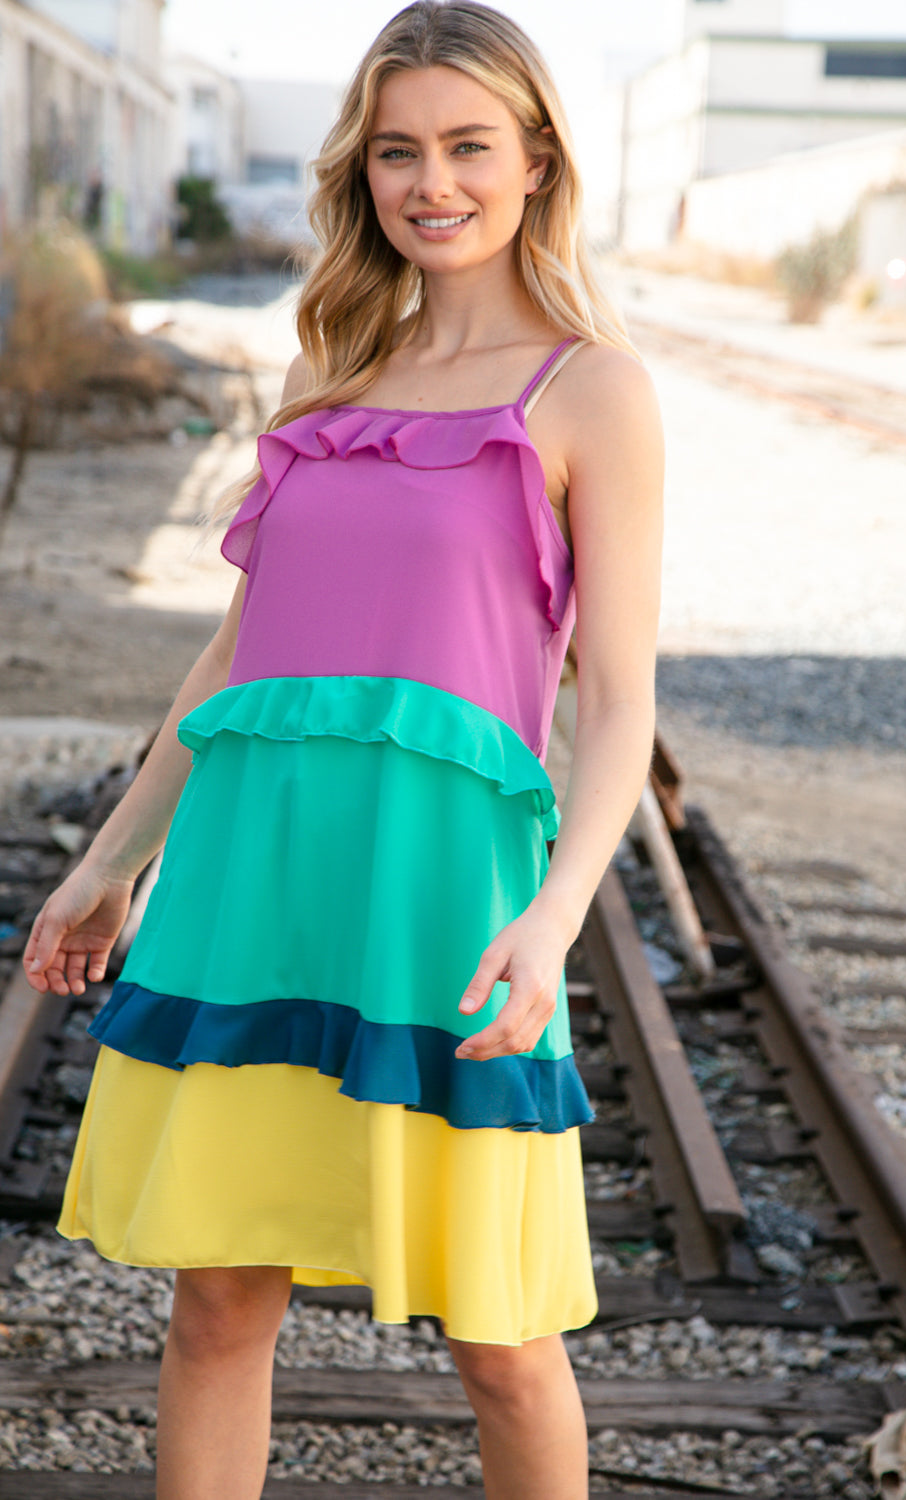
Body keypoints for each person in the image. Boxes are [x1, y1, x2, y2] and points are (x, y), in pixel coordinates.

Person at [23, 3, 664, 1496]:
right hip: (255, 882)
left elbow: (621, 702)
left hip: (446, 900)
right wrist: (117, 862)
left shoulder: (591, 390)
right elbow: (241, 652)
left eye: (466, 146)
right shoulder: (330, 378)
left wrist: (553, 919)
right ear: (360, 171)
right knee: (218, 1297)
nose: (431, 182)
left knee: (503, 1341)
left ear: (535, 159)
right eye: (397, 151)